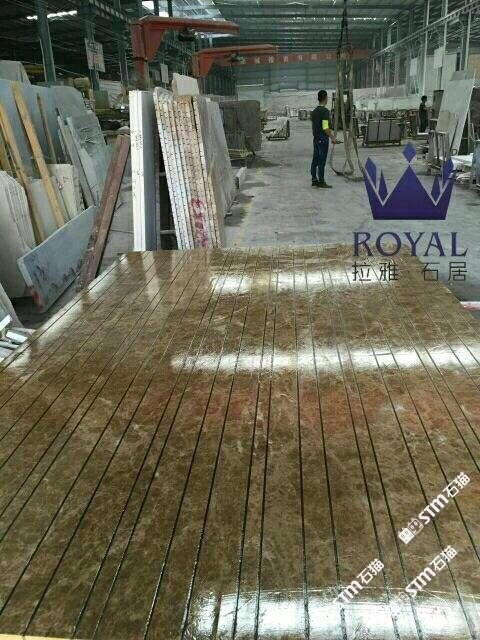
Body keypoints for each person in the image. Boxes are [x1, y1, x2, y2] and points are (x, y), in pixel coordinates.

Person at [310, 89, 337, 188]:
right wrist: (332, 137)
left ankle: (314, 180)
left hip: (316, 138)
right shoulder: (325, 111)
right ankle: (321, 181)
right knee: (321, 161)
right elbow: (325, 127)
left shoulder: (314, 112)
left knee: (315, 160)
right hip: (323, 139)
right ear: (325, 98)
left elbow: (314, 126)